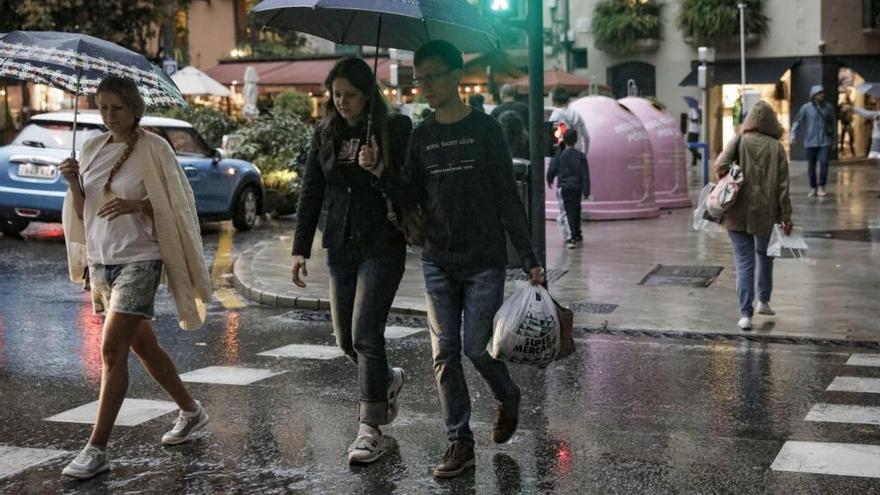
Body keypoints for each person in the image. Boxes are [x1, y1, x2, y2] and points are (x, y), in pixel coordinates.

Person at [369, 40, 545, 479]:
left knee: (475, 346)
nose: (423, 85)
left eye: (430, 76)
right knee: (445, 352)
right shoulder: (422, 135)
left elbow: (507, 195)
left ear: (454, 74)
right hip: (438, 259)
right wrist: (380, 174)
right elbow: (409, 194)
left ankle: (507, 394)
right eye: (418, 78)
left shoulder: (486, 130)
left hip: (484, 259)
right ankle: (459, 442)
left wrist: (529, 256)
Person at [58, 76, 212, 479]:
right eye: (103, 107)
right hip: (103, 259)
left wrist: (137, 205)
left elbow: (177, 204)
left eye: (118, 108)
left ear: (135, 108)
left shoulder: (154, 148)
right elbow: (83, 211)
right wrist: (74, 182)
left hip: (141, 259)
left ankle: (97, 449)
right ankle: (191, 410)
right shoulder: (91, 149)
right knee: (142, 346)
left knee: (111, 349)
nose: (109, 116)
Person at [291, 57, 411, 465]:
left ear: (367, 94)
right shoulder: (324, 132)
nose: (342, 102)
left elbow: (409, 189)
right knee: (345, 340)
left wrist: (378, 168)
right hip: (340, 245)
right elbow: (311, 191)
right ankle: (386, 380)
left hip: (382, 243)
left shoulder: (393, 129)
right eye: (336, 94)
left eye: (351, 95)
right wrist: (300, 249)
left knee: (365, 334)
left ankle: (369, 429)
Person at [714, 101, 793, 331]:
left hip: (737, 212)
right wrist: (786, 216)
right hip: (765, 214)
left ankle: (745, 315)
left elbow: (720, 165)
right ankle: (764, 301)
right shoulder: (776, 148)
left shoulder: (738, 140)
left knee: (744, 263)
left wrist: (732, 173)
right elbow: (783, 187)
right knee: (766, 255)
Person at [547, 129, 590, 249]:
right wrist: (586, 190)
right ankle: (577, 233)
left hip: (564, 187)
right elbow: (585, 174)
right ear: (576, 140)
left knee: (566, 212)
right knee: (576, 210)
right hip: (577, 187)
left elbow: (552, 170)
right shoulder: (580, 156)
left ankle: (570, 238)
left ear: (564, 140)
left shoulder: (560, 155)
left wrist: (549, 180)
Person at [791, 85, 836, 197]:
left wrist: (834, 140)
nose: (822, 95)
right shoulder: (806, 108)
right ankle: (813, 187)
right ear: (813, 95)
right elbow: (797, 121)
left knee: (824, 163)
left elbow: (833, 124)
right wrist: (793, 134)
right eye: (819, 93)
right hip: (810, 141)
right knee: (811, 165)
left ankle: (821, 186)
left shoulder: (828, 107)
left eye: (822, 92)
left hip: (824, 141)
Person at [549, 87, 589, 154]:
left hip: (562, 155)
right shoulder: (577, 114)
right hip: (577, 153)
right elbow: (587, 137)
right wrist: (584, 153)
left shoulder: (554, 116)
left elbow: (551, 139)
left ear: (554, 101)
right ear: (568, 100)